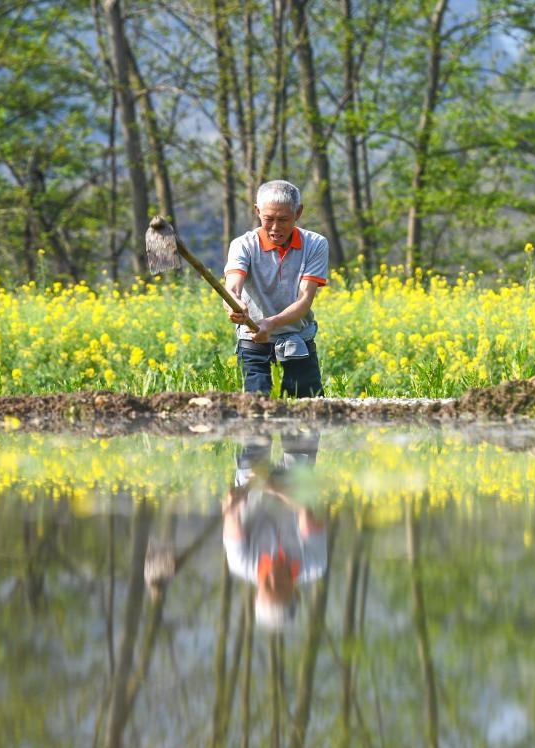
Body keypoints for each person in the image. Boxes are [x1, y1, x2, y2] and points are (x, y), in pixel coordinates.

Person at [224, 180, 328, 397]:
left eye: (283, 219)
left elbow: (304, 300)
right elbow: (232, 287)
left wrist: (270, 324)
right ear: (257, 211)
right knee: (256, 416)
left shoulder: (315, 244)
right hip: (253, 343)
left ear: (298, 213)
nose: (275, 227)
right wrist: (233, 304)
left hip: (298, 342)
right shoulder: (242, 245)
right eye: (268, 219)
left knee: (308, 419)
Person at [221, 430, 327, 631]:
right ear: (296, 593)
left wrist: (247, 491)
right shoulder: (315, 564)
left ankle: (257, 402)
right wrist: (274, 488)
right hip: (293, 488)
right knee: (303, 427)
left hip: (252, 488)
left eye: (267, 586)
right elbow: (305, 508)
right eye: (280, 586)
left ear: (257, 592)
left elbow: (231, 514)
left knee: (255, 431)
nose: (272, 578)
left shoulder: (240, 563)